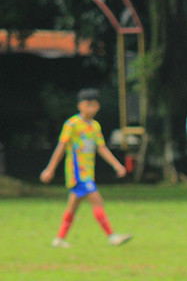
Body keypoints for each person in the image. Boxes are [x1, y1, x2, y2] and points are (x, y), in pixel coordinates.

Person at [39, 88, 132, 248]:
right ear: (80, 106)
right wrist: (50, 169)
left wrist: (116, 164)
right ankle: (112, 237)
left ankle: (59, 239)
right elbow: (61, 146)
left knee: (72, 207)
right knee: (98, 201)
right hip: (77, 173)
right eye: (88, 105)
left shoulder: (95, 126)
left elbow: (101, 148)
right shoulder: (72, 124)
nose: (91, 108)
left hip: (88, 172)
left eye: (94, 105)